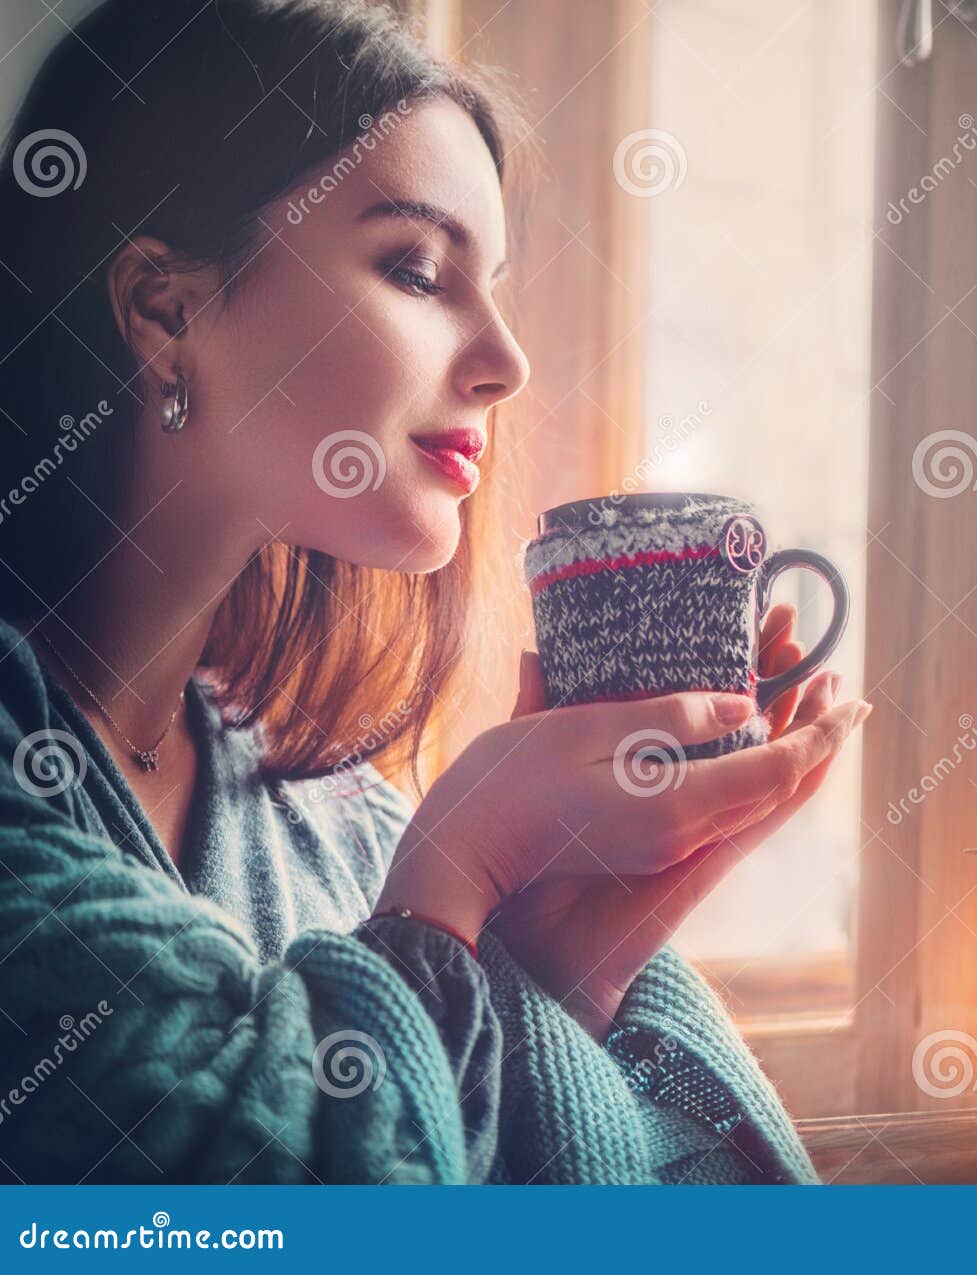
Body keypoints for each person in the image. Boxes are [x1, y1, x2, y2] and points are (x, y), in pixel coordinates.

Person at [0, 0, 869, 1185]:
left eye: (497, 284)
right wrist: (448, 890)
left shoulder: (346, 828)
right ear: (166, 309)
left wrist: (560, 975)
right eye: (416, 268)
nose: (506, 360)